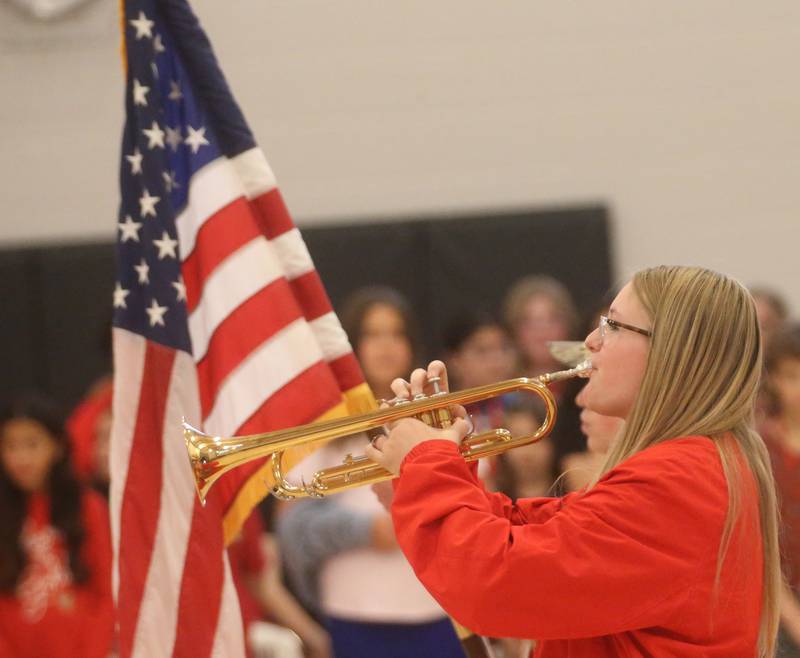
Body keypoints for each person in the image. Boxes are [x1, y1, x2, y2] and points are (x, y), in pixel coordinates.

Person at [366, 265, 780, 657]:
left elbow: (498, 584)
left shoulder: (680, 478)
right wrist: (423, 479)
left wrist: (428, 463)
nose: (591, 342)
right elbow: (541, 534)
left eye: (613, 326)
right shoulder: (690, 464)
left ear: (672, 351)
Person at [278, 286, 464, 658]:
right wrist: (368, 531)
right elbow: (292, 527)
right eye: (373, 334)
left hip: (438, 608)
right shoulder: (321, 427)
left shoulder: (440, 416)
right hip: (354, 610)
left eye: (397, 334)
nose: (386, 346)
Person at [0, 394, 114, 658]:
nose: (21, 458)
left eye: (32, 445)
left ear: (57, 446)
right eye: (10, 446)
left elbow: (106, 592)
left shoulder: (87, 506)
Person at [759, 324, 800, 656]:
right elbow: (762, 541)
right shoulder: (759, 445)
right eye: (790, 376)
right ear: (772, 378)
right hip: (776, 599)